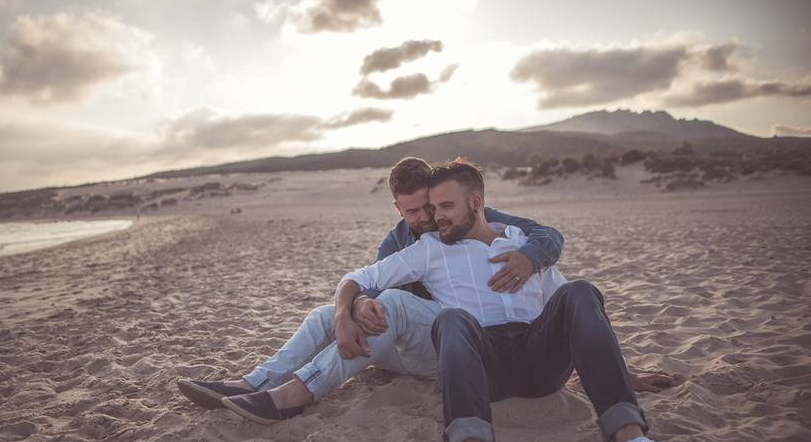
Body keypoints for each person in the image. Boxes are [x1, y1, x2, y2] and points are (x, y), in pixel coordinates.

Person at [328, 159, 691, 442]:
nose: (437, 217)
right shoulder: (429, 249)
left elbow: (577, 315)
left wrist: (625, 374)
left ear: (476, 202)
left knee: (581, 291)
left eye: (446, 206)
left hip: (540, 360)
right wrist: (345, 311)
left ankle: (628, 440)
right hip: (488, 365)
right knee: (451, 318)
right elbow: (358, 277)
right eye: (434, 208)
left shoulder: (523, 246)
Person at [176, 156, 567, 418]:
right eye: (412, 211)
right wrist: (352, 309)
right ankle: (252, 383)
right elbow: (366, 282)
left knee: (393, 303)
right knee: (323, 317)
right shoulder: (398, 242)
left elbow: (547, 236)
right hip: (409, 341)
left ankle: (294, 393)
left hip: (461, 346)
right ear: (398, 209)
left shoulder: (473, 219)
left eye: (430, 207)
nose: (427, 218)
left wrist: (530, 257)